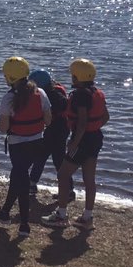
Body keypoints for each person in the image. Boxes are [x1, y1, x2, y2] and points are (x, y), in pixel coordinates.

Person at [41, 58, 108, 230]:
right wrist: (93, 130)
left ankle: (61, 215)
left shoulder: (79, 95)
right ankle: (87, 217)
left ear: (77, 76)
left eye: (73, 75)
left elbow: (83, 122)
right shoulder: (97, 92)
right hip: (95, 138)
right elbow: (105, 117)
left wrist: (74, 143)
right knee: (89, 179)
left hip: (82, 140)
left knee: (63, 175)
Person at [0, 57, 50, 238]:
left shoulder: (8, 98)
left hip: (18, 146)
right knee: (18, 176)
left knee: (21, 182)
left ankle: (24, 224)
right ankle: (5, 211)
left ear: (10, 77)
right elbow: (48, 120)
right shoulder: (41, 93)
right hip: (37, 143)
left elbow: (3, 128)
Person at [27, 68, 73, 201]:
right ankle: (33, 184)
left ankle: (68, 190)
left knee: (55, 159)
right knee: (44, 156)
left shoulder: (52, 94)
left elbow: (63, 105)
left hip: (57, 129)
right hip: (57, 128)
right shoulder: (53, 90)